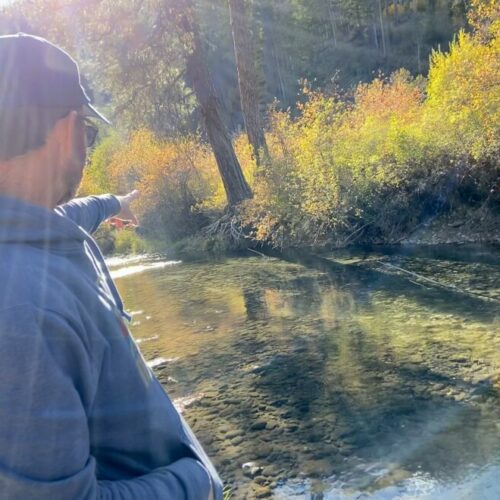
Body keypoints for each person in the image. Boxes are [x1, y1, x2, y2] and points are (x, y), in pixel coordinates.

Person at [0, 33, 222, 499]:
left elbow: (76, 212)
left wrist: (118, 202)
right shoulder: (21, 310)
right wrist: (196, 481)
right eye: (88, 131)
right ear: (67, 129)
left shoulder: (31, 225)